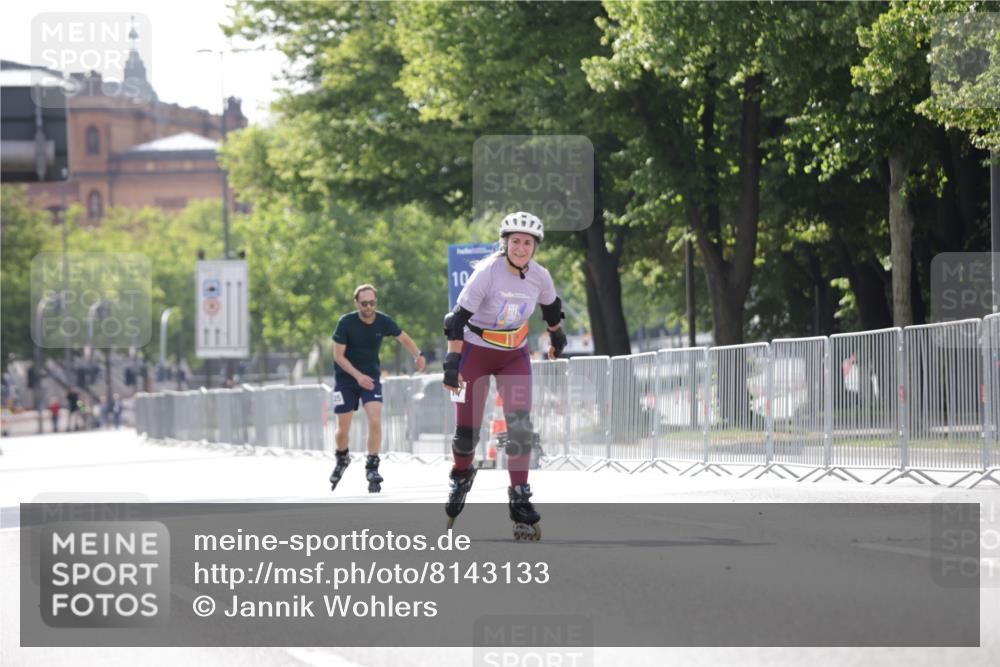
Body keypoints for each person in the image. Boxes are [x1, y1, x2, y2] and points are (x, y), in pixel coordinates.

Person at [441, 212, 567, 540]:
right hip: (475, 353)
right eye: (515, 242)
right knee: (466, 435)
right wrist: (452, 363)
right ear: (505, 243)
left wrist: (557, 337)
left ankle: (520, 501)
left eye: (527, 243)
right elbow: (455, 322)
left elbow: (552, 310)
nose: (521, 248)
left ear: (535, 247)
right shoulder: (487, 273)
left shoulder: (540, 276)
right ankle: (461, 474)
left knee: (521, 426)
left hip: (514, 355)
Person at [329, 284, 426, 492]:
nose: (368, 307)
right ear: (356, 303)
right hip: (346, 378)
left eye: (372, 303)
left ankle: (372, 466)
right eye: (364, 304)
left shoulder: (383, 321)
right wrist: (357, 376)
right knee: (343, 430)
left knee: (375, 419)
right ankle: (342, 456)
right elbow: (338, 356)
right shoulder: (346, 323)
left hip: (370, 377)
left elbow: (403, 337)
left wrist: (417, 355)